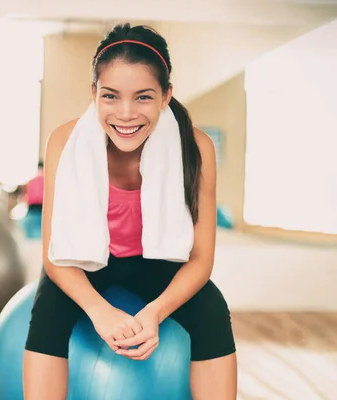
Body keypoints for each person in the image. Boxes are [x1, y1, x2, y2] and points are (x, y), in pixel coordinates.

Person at [23, 24, 237, 399]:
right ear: (93, 94)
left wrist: (155, 313)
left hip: (156, 260)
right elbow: (53, 256)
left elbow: (201, 260)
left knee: (212, 312)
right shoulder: (64, 141)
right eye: (110, 96)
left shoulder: (196, 147)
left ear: (166, 96)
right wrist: (98, 310)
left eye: (142, 97)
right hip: (82, 260)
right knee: (47, 312)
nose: (125, 114)